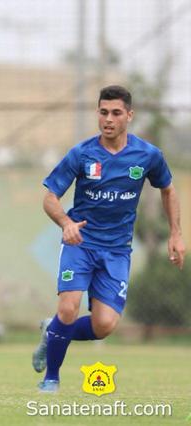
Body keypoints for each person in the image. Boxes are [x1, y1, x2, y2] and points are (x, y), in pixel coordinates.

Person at [33, 85, 185, 393]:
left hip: (116, 251)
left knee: (104, 325)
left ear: (129, 115)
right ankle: (51, 378)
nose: (109, 119)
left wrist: (176, 233)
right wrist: (66, 223)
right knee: (68, 309)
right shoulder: (82, 153)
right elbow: (50, 197)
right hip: (81, 244)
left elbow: (168, 189)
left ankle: (52, 332)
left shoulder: (147, 155)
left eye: (116, 113)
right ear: (98, 114)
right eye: (103, 112)